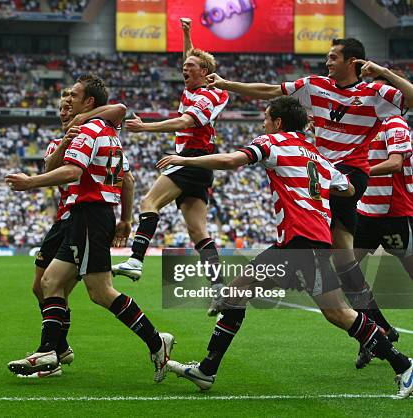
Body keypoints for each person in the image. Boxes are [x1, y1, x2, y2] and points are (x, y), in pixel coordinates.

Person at [157, 96, 413, 400]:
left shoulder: (271, 142)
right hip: (308, 240)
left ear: (278, 122)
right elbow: (348, 187)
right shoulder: (316, 155)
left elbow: (230, 161)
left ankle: (404, 364)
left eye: (266, 117)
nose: (263, 122)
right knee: (243, 292)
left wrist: (183, 160)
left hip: (300, 240)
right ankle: (207, 369)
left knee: (335, 312)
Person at [206, 37, 413, 361]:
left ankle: (375, 334)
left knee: (332, 254)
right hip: (322, 170)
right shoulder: (314, 85)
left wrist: (382, 71)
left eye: (333, 57)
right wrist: (228, 83)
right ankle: (377, 332)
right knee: (344, 262)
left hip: (346, 176)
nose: (327, 62)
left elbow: (411, 99)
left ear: (353, 62)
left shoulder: (374, 92)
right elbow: (271, 91)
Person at [6, 74, 174, 381]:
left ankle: (155, 340)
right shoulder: (108, 131)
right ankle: (50, 351)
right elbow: (122, 173)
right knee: (50, 282)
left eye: (74, 95)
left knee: (100, 292)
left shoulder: (89, 129)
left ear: (89, 102)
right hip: (92, 215)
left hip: (88, 214)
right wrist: (124, 218)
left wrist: (30, 183)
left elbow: (72, 171)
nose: (67, 101)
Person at [112, 17, 228, 295]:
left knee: (148, 200)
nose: (184, 68)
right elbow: (191, 56)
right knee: (198, 232)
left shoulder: (209, 96)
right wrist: (186, 34)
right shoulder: (194, 88)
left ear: (205, 72)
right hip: (199, 164)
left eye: (190, 67)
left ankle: (136, 260)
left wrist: (145, 127)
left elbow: (184, 123)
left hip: (191, 158)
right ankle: (219, 287)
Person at [25, 88, 128, 378]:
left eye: (69, 108)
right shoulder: (60, 142)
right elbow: (50, 167)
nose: (64, 112)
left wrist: (126, 218)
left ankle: (51, 353)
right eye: (61, 109)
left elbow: (126, 177)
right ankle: (59, 347)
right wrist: (63, 145)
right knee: (41, 287)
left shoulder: (96, 134)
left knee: (59, 285)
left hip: (82, 216)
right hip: (63, 218)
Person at [353, 75, 412, 368]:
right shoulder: (366, 126)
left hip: (395, 215)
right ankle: (379, 332)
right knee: (345, 271)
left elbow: (396, 163)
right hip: (366, 214)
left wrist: (358, 174)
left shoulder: (395, 123)